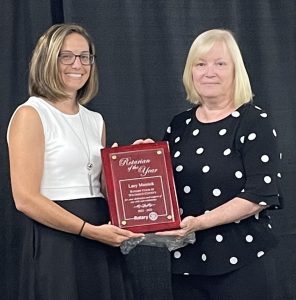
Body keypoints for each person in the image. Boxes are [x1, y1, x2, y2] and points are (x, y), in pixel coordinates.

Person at [7, 23, 143, 300]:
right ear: (47, 60)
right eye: (66, 56)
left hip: (102, 235)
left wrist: (131, 165)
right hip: (59, 241)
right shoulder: (31, 114)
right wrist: (88, 231)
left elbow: (101, 188)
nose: (77, 65)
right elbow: (25, 199)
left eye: (85, 56)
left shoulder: (95, 120)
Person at [157, 29, 283, 299]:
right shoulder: (179, 125)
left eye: (220, 63)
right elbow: (161, 189)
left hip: (242, 260)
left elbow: (258, 195)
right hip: (187, 263)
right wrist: (142, 157)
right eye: (200, 64)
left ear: (236, 71)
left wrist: (199, 223)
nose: (209, 72)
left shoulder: (254, 121)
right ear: (190, 72)